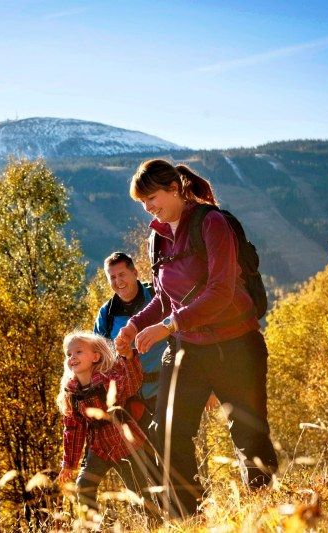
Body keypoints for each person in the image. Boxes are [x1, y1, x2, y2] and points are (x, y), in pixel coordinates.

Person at [114, 159, 279, 518]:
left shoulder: (212, 223)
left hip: (236, 344)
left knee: (249, 434)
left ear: (175, 190)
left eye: (152, 197)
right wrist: (134, 325)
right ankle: (189, 516)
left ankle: (262, 513)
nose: (148, 208)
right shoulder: (157, 236)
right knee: (168, 433)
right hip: (188, 348)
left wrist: (167, 327)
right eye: (142, 202)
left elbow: (220, 291)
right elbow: (162, 296)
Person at [56, 331, 158, 523]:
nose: (72, 357)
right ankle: (95, 526)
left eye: (78, 352)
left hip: (126, 444)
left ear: (96, 356)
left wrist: (128, 358)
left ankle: (152, 525)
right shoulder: (72, 393)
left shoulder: (109, 380)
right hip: (99, 448)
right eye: (69, 354)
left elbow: (132, 383)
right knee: (84, 487)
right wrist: (69, 464)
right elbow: (73, 431)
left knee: (137, 493)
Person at [94, 252, 166, 435]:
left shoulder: (158, 298)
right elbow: (97, 357)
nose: (118, 281)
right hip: (128, 398)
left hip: (164, 387)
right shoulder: (106, 314)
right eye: (112, 277)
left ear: (135, 273)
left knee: (171, 446)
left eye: (122, 274)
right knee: (140, 456)